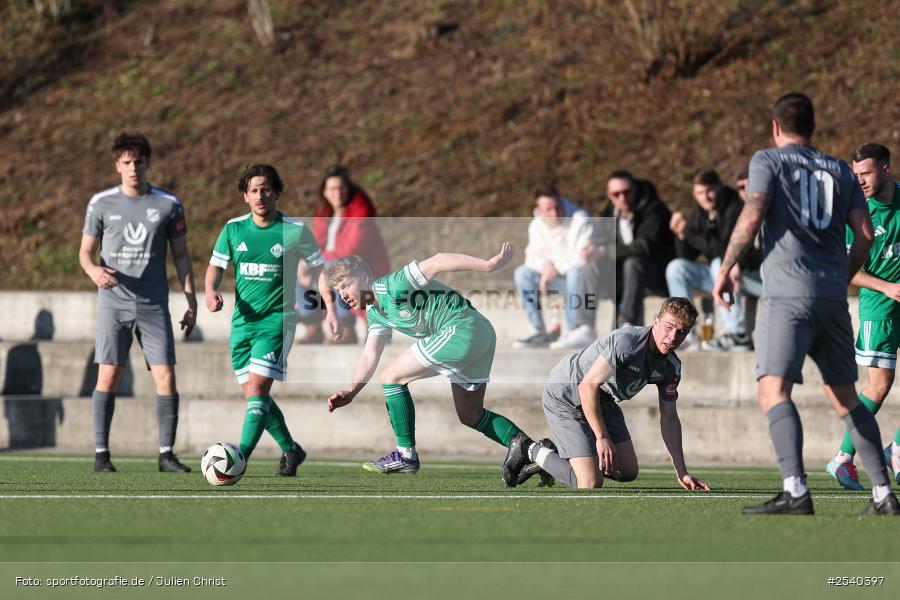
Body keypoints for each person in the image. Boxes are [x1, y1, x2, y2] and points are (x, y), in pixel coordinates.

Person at [713, 92, 899, 515]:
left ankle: (796, 489)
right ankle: (884, 494)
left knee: (773, 390)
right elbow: (866, 234)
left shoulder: (768, 161)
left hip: (787, 294)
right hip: (832, 297)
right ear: (813, 128)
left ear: (776, 127)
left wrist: (726, 266)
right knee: (848, 397)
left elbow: (754, 212)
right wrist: (840, 275)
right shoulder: (840, 169)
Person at [325, 243, 528, 474]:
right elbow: (370, 354)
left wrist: (489, 265)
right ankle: (533, 452)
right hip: (480, 332)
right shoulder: (376, 313)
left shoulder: (393, 285)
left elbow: (439, 260)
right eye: (338, 290)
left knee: (391, 376)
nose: (343, 295)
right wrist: (352, 391)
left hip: (463, 327)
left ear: (364, 278)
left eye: (346, 285)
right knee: (470, 414)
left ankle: (406, 455)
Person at [206, 164, 341, 476]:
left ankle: (236, 461)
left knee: (256, 391)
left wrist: (330, 308)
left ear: (277, 193)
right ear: (245, 196)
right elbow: (215, 266)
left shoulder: (294, 231)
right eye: (254, 190)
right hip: (242, 324)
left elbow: (322, 272)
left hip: (277, 322)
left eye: (266, 189)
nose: (260, 195)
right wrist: (211, 289)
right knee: (257, 396)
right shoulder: (233, 229)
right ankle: (292, 450)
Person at [501, 297, 709, 492]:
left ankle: (554, 456)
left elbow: (670, 418)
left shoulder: (671, 368)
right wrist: (602, 438)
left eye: (681, 332)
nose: (672, 337)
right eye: (669, 327)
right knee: (590, 482)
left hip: (601, 399)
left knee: (627, 471)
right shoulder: (627, 342)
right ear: (656, 321)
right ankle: (528, 448)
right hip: (567, 392)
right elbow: (586, 386)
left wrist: (682, 472)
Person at [79, 132, 194, 474]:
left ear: (148, 164)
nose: (133, 168)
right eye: (126, 162)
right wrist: (93, 270)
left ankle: (166, 453)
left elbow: (183, 257)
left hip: (153, 304)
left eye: (138, 162)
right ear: (117, 165)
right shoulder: (101, 203)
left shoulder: (168, 204)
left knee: (166, 376)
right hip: (114, 304)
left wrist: (191, 301)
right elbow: (85, 252)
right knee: (109, 375)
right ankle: (101, 454)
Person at [826, 143, 900, 489]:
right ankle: (842, 458)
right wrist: (887, 287)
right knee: (879, 386)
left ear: (886, 169)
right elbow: (846, 269)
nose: (861, 181)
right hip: (879, 307)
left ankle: (896, 450)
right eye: (856, 175)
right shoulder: (855, 211)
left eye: (866, 173)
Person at [296, 164, 390, 344]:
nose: (337, 193)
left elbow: (350, 250)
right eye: (331, 189)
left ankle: (347, 327)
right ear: (324, 192)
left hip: (361, 268)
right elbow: (314, 243)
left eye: (341, 188)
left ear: (349, 189)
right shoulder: (326, 213)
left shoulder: (361, 212)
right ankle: (312, 326)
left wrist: (316, 263)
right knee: (295, 265)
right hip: (332, 262)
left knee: (338, 270)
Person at [665, 169, 752, 351]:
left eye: (709, 191)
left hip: (742, 272)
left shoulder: (734, 206)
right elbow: (687, 255)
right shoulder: (700, 212)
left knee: (718, 263)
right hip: (717, 277)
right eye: (699, 193)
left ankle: (738, 334)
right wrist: (681, 235)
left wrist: (690, 233)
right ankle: (684, 331)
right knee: (676, 267)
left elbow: (725, 250)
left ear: (719, 188)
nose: (705, 197)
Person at [513, 183, 596, 349]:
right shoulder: (536, 226)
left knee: (575, 271)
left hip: (584, 286)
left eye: (558, 207)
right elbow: (531, 256)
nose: (555, 213)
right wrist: (544, 266)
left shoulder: (581, 220)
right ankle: (539, 330)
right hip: (556, 281)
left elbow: (581, 259)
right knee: (522, 273)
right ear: (539, 210)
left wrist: (553, 268)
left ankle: (573, 330)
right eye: (548, 210)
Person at [598, 171, 674, 327]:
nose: (622, 198)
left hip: (657, 274)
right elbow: (601, 242)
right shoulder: (608, 214)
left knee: (633, 263)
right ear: (609, 194)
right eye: (616, 194)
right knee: (589, 265)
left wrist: (606, 251)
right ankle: (581, 326)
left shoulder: (654, 209)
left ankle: (627, 323)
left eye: (627, 192)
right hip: (624, 277)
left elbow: (645, 245)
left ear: (635, 189)